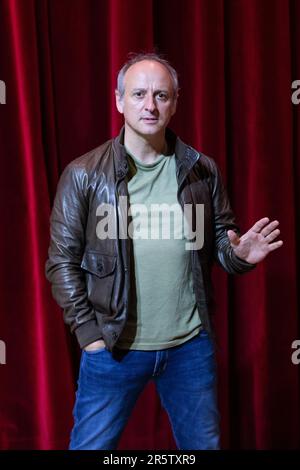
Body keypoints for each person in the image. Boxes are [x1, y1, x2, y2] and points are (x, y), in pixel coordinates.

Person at [45, 53, 283, 450]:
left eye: (161, 95)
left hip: (189, 347)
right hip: (113, 347)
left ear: (175, 102)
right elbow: (61, 262)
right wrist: (89, 336)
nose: (150, 105)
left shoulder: (200, 170)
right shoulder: (84, 174)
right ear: (120, 100)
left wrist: (240, 254)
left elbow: (222, 244)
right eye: (138, 94)